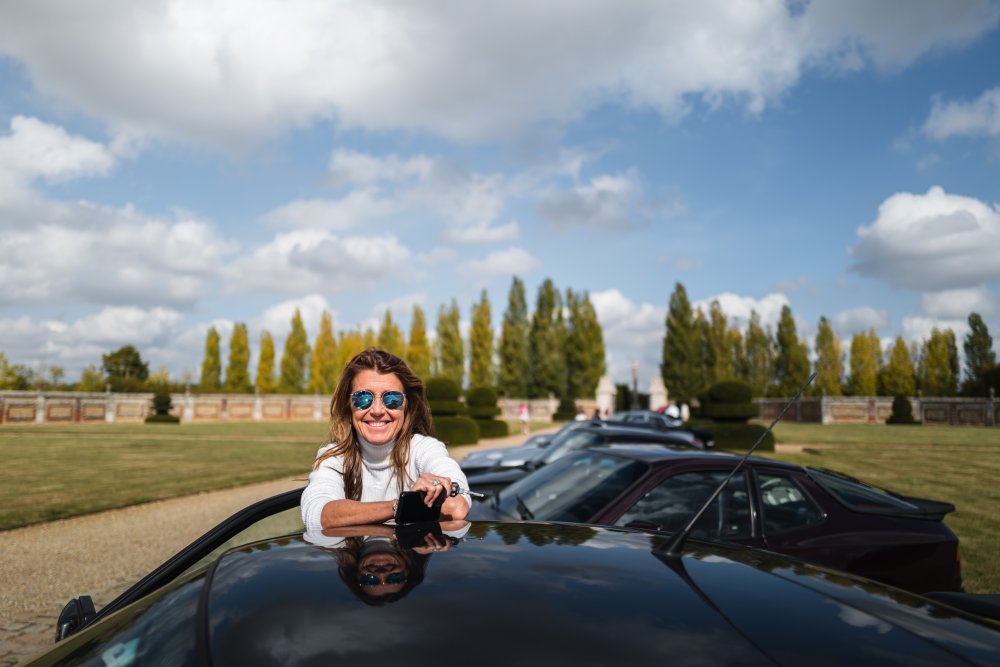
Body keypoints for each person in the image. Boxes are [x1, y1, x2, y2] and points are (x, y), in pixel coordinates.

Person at [301, 348, 471, 531]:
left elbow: (457, 507)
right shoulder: (334, 457)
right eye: (363, 398)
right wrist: (401, 505)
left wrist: (430, 493)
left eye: (391, 399)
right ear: (348, 405)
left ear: (407, 404)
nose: (377, 410)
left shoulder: (424, 449)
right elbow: (318, 515)